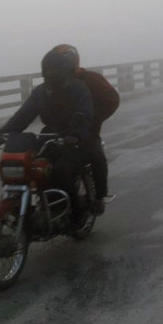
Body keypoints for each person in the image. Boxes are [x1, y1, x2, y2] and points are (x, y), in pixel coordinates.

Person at [0, 49, 94, 224]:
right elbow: (23, 116)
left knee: (60, 170)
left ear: (67, 71)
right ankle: (21, 205)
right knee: (24, 165)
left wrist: (76, 135)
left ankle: (76, 214)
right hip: (49, 136)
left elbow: (85, 115)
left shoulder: (79, 88)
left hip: (73, 137)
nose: (51, 74)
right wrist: (3, 133)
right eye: (48, 70)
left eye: (56, 70)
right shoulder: (41, 92)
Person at [50, 44, 120, 215]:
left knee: (96, 156)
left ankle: (99, 197)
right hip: (61, 132)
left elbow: (112, 99)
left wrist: (93, 119)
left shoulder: (91, 79)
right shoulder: (54, 82)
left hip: (87, 130)